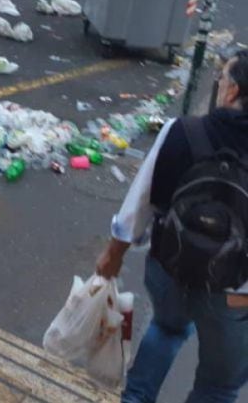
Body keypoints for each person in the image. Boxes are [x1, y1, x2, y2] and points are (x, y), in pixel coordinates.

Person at [95, 50, 248, 403]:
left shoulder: (183, 131)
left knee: (165, 328)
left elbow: (140, 201)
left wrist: (113, 255)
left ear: (233, 92)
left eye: (223, 78)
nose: (220, 84)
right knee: (219, 386)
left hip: (171, 267)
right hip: (236, 292)